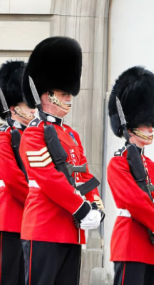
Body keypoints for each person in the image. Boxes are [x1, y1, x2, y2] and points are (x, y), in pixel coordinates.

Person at [19, 37, 103, 285]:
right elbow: (48, 178)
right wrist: (81, 208)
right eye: (64, 94)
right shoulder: (34, 132)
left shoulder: (72, 135)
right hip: (44, 227)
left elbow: (84, 176)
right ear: (48, 94)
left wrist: (96, 206)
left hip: (71, 230)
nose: (69, 99)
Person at [107, 66, 154, 285]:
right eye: (145, 126)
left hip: (150, 242)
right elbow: (134, 200)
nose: (150, 130)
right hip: (130, 241)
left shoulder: (149, 164)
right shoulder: (118, 162)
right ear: (130, 129)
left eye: (150, 125)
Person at [0, 60, 35, 285]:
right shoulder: (4, 137)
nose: (34, 110)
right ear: (14, 108)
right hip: (10, 219)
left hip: (31, 221)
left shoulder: (35, 137)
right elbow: (13, 180)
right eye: (28, 104)